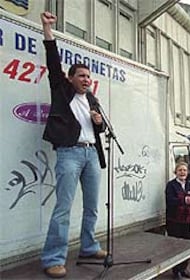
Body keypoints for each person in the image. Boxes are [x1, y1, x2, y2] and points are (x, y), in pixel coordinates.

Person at [40, 11, 107, 278]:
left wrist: (99, 121)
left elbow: (99, 130)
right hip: (70, 153)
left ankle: (89, 246)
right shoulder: (62, 90)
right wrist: (47, 30)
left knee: (91, 206)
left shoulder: (91, 100)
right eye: (81, 75)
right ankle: (53, 258)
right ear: (70, 79)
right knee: (63, 208)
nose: (86, 79)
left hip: (91, 155)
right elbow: (53, 61)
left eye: (88, 76)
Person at [165, 162, 190, 280]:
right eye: (180, 170)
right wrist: (186, 200)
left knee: (186, 245)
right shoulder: (171, 185)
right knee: (176, 246)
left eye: (185, 170)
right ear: (175, 172)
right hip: (174, 220)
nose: (182, 172)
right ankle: (176, 272)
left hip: (186, 220)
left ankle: (183, 269)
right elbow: (170, 200)